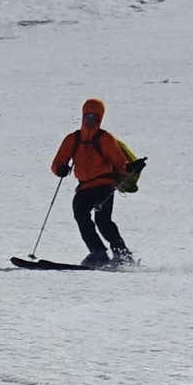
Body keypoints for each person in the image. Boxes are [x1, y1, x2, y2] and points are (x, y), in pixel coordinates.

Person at [50, 98, 141, 266]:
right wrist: (60, 169)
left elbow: (119, 163)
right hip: (84, 187)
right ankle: (98, 252)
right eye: (87, 116)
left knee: (103, 220)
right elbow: (57, 163)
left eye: (94, 117)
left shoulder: (105, 139)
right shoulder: (73, 139)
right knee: (80, 214)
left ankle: (121, 253)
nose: (90, 120)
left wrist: (131, 168)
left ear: (100, 118)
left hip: (105, 186)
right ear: (83, 116)